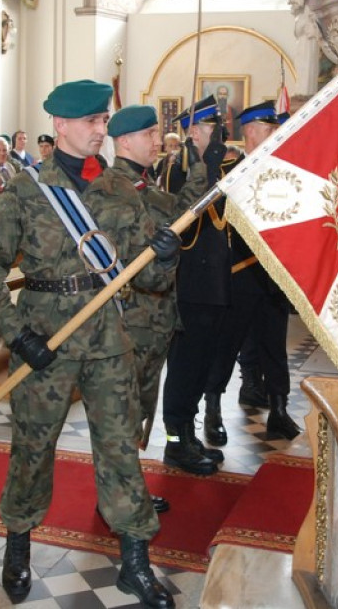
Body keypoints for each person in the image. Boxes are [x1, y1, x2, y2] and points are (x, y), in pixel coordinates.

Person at [0, 79, 179, 608]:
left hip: (111, 338)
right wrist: (18, 335)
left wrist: (165, 254)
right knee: (33, 451)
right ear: (61, 126)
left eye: (103, 122)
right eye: (90, 122)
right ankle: (18, 547)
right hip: (45, 339)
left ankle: (134, 561)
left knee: (119, 449)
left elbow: (150, 281)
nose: (99, 131)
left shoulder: (118, 190)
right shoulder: (22, 192)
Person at [105, 104, 210, 511]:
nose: (156, 142)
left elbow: (183, 211)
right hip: (130, 320)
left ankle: (126, 487)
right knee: (123, 409)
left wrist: (199, 163)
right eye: (149, 134)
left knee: (140, 407)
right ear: (125, 141)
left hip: (154, 321)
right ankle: (117, 495)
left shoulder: (142, 187)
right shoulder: (115, 189)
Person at [200, 102, 301, 443]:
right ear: (251, 133)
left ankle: (280, 411)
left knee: (274, 346)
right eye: (269, 131)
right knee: (225, 347)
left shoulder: (283, 172)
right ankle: (212, 411)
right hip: (240, 274)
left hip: (273, 276)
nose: (276, 136)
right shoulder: (231, 173)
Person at [159, 94, 233, 475]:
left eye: (215, 128)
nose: (213, 135)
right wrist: (206, 167)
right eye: (207, 129)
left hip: (217, 283)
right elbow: (183, 225)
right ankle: (175, 441)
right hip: (190, 283)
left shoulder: (217, 165)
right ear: (192, 132)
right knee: (185, 365)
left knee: (203, 363)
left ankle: (189, 434)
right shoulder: (179, 169)